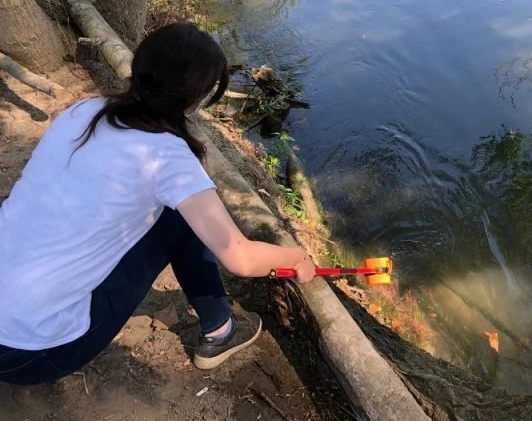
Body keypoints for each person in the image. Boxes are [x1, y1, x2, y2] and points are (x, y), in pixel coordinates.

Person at [0, 23, 316, 385]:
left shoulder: (87, 111)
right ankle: (221, 330)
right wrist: (296, 258)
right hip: (28, 355)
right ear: (195, 98)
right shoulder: (167, 156)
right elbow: (239, 258)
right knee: (180, 220)